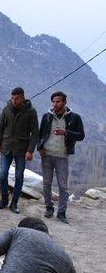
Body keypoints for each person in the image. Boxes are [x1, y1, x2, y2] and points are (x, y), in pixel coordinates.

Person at [37, 91, 84, 224]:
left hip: (62, 156)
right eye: (53, 101)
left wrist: (66, 133)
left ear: (64, 103)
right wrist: (40, 148)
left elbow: (81, 135)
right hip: (47, 154)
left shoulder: (74, 118)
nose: (55, 104)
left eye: (58, 101)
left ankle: (62, 212)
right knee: (46, 183)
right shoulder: (47, 116)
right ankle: (49, 207)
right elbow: (40, 134)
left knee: (63, 186)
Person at [0, 87, 38, 214]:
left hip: (21, 150)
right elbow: (0, 128)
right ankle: (4, 200)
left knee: (19, 177)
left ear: (23, 98)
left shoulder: (30, 112)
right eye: (12, 98)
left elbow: (35, 133)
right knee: (2, 175)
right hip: (6, 148)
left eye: (17, 98)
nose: (14, 101)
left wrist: (30, 150)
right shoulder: (7, 109)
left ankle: (14, 203)